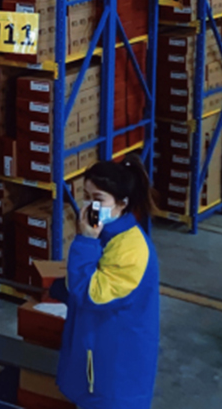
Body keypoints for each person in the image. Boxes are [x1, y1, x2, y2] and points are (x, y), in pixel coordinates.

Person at [49, 157, 160, 409]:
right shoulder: (107, 235)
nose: (89, 206)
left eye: (98, 199)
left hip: (116, 365)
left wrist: (86, 241)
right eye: (86, 197)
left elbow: (92, 294)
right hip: (96, 350)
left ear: (122, 203)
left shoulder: (131, 250)